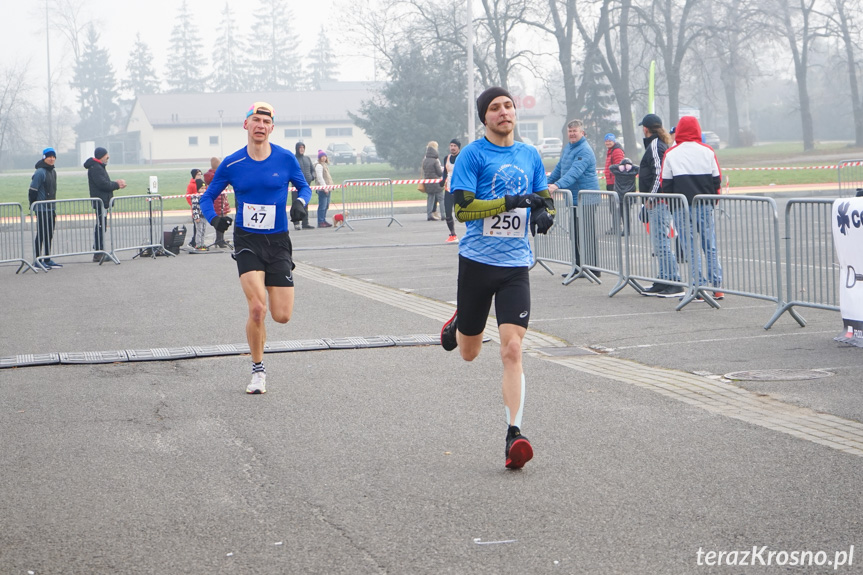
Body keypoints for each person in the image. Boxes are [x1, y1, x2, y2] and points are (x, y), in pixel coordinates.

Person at [440, 86, 555, 470]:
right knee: (469, 352)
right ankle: (459, 323)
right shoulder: (472, 155)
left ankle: (514, 435)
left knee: (512, 349)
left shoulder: (529, 154)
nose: (504, 112)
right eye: (495, 108)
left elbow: (542, 196)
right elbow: (465, 211)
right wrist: (513, 202)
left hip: (515, 267)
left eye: (508, 105)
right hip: (476, 263)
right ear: (484, 117)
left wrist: (545, 214)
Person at [199, 102, 312, 395]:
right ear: (245, 125)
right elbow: (207, 197)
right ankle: (258, 370)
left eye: (265, 121)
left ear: (272, 128)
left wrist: (301, 204)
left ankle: (260, 347)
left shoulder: (286, 159)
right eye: (255, 120)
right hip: (247, 240)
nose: (260, 125)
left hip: (278, 241)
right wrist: (216, 219)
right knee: (258, 309)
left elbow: (305, 187)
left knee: (282, 315)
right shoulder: (232, 163)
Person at [660, 115, 724, 300]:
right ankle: (717, 285)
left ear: (678, 130)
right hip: (704, 203)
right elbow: (716, 180)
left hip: (681, 206)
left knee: (690, 247)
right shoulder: (708, 151)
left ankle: (698, 286)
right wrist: (714, 201)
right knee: (709, 245)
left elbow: (667, 184)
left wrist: (671, 206)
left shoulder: (671, 153)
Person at [637, 113, 682, 297]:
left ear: (646, 128)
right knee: (659, 243)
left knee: (662, 243)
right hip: (658, 202)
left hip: (659, 202)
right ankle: (663, 278)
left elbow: (658, 173)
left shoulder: (655, 145)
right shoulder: (659, 144)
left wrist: (651, 198)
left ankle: (674, 281)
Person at [547, 119, 600, 271]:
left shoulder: (584, 150)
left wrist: (557, 185)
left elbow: (574, 173)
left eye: (575, 131)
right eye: (570, 131)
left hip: (586, 199)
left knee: (586, 234)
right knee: (576, 233)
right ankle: (578, 266)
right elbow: (559, 168)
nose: (572, 134)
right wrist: (546, 184)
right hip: (573, 199)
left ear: (582, 133)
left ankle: (592, 269)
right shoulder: (568, 148)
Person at [84, 146, 126, 263]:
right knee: (100, 227)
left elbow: (105, 183)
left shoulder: (98, 166)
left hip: (104, 202)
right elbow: (103, 185)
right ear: (101, 156)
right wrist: (117, 184)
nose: (108, 157)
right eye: (106, 155)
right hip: (101, 202)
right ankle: (98, 252)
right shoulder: (96, 168)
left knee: (102, 227)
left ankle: (100, 250)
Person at [28, 147, 61, 269]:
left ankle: (47, 258)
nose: (52, 159)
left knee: (49, 234)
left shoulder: (53, 171)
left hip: (51, 208)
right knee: (41, 234)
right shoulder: (40, 172)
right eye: (49, 157)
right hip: (41, 209)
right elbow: (32, 190)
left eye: (53, 157)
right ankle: (37, 259)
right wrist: (33, 206)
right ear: (44, 158)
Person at [205, 158, 233, 248]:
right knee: (220, 222)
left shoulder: (212, 175)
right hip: (218, 201)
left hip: (221, 200)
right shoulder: (216, 175)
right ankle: (219, 240)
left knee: (222, 220)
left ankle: (221, 239)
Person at [608, 157, 639, 235]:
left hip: (620, 195)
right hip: (629, 196)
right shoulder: (632, 173)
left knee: (622, 213)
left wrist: (619, 166)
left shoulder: (618, 172)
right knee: (627, 214)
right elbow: (639, 168)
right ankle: (627, 229)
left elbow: (611, 167)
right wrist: (631, 166)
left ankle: (624, 229)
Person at [439, 138, 461, 242]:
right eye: (451, 146)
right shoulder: (446, 158)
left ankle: (472, 233)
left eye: (455, 146)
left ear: (459, 148)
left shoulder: (462, 158)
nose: (452, 148)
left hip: (460, 189)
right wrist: (443, 180)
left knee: (461, 213)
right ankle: (452, 234)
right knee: (448, 213)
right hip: (448, 189)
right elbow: (445, 172)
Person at [603, 133, 625, 232]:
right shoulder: (610, 151)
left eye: (610, 141)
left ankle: (621, 226)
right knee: (613, 207)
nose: (608, 142)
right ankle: (616, 226)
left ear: (614, 141)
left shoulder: (616, 151)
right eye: (606, 141)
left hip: (615, 183)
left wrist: (616, 180)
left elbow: (619, 167)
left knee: (618, 206)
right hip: (610, 182)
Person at [293, 142, 315, 230]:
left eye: (303, 147)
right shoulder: (293, 159)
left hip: (306, 186)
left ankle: (305, 223)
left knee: (305, 205)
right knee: (296, 205)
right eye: (300, 147)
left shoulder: (307, 158)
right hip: (296, 186)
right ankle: (296, 223)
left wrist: (312, 176)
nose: (302, 149)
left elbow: (312, 170)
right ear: (297, 149)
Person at [186, 169, 208, 251]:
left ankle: (201, 244)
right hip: (197, 214)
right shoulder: (192, 186)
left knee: (203, 230)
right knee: (198, 230)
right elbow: (190, 200)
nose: (200, 176)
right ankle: (197, 244)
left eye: (200, 174)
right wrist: (196, 215)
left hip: (203, 215)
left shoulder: (203, 193)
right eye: (198, 174)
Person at [422, 141, 444, 221]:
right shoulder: (435, 160)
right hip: (436, 182)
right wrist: (443, 172)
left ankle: (429, 215)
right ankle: (443, 215)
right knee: (441, 198)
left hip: (428, 182)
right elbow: (439, 172)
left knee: (430, 198)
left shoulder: (425, 160)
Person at [314, 150, 334, 227]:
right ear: (319, 158)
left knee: (326, 205)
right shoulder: (319, 166)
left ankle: (323, 220)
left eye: (324, 156)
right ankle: (320, 221)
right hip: (323, 189)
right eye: (322, 157)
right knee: (322, 206)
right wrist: (325, 187)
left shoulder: (324, 165)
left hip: (328, 188)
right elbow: (320, 178)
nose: (324, 158)